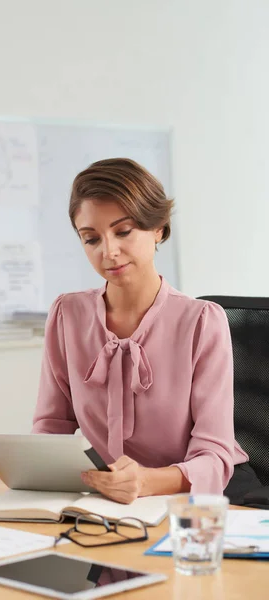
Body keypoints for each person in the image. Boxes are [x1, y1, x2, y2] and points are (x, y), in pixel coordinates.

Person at [32, 158, 261, 505]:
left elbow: (214, 455)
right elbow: (52, 427)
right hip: (114, 500)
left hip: (203, 496)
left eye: (123, 231)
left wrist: (146, 482)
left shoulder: (201, 321)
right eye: (91, 238)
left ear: (158, 228)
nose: (108, 251)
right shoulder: (68, 314)